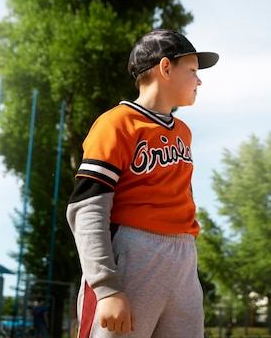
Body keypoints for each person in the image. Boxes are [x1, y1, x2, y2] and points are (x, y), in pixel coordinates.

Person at [66, 29, 219, 337]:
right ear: (165, 68)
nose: (199, 80)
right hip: (134, 255)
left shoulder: (184, 133)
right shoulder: (115, 123)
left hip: (183, 258)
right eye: (191, 71)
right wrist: (107, 288)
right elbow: (87, 209)